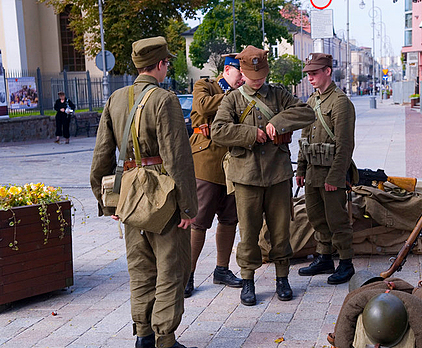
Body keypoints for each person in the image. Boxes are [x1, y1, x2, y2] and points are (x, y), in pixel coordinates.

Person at [90, 36, 197, 348]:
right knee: (171, 268)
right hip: (162, 196)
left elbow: (101, 155)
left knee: (139, 269)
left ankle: (143, 336)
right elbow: (178, 158)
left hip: (129, 195)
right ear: (161, 64)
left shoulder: (116, 99)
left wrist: (105, 200)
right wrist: (188, 207)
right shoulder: (165, 100)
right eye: (168, 63)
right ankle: (165, 339)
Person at [212, 45, 315, 306]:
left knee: (281, 230)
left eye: (262, 77)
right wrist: (250, 134)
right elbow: (218, 131)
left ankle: (282, 278)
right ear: (242, 73)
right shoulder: (232, 99)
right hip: (246, 177)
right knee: (248, 233)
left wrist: (277, 123)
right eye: (252, 77)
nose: (258, 82)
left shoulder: (279, 94)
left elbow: (306, 112)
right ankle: (248, 280)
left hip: (278, 175)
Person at [184, 54, 244, 298]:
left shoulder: (244, 92)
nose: (243, 78)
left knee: (230, 219)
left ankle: (222, 269)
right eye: (239, 73)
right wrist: (234, 94)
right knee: (199, 221)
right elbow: (203, 106)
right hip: (206, 161)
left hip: (233, 163)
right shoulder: (205, 85)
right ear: (227, 70)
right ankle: (187, 275)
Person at [296, 53, 357, 285]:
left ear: (328, 71)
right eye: (308, 74)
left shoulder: (340, 102)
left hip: (331, 174)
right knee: (316, 217)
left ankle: (345, 263)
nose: (310, 78)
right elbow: (305, 139)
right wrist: (300, 170)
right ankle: (324, 257)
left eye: (314, 73)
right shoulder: (312, 101)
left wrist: (336, 176)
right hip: (313, 173)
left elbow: (345, 144)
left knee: (337, 220)